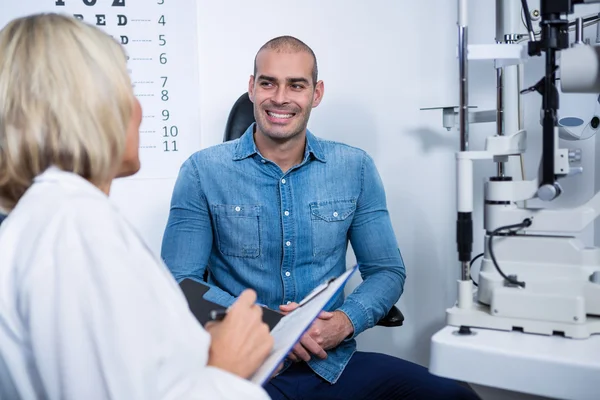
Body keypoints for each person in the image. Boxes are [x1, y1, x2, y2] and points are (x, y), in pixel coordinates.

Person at [161, 35, 480, 399]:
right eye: (268, 83)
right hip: (247, 370)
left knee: (454, 395)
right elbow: (180, 279)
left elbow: (387, 270)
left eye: (296, 85)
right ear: (252, 88)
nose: (280, 98)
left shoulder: (355, 168)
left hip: (332, 363)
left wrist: (345, 322)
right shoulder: (202, 171)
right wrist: (273, 328)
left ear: (316, 93)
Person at [0, 13, 275, 400]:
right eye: (127, 90)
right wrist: (227, 366)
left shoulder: (55, 218)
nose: (139, 110)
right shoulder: (73, 227)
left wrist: (203, 346)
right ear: (91, 107)